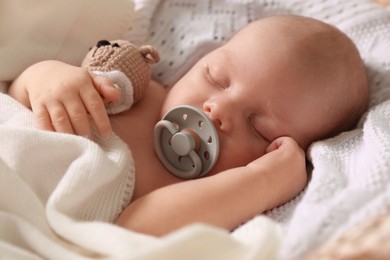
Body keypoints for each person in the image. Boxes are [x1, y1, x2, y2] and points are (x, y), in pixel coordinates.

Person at [7, 15, 369, 236]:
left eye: (260, 128)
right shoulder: (131, 90)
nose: (216, 109)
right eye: (215, 77)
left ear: (275, 152)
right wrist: (49, 78)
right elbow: (18, 93)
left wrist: (265, 182)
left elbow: (136, 229)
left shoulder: (211, 194)